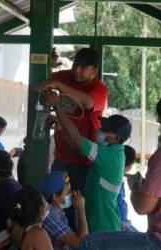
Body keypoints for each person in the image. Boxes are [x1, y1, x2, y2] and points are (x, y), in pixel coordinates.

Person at [78, 97, 161, 250]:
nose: (99, 132)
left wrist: (135, 186)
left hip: (157, 241)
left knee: (88, 243)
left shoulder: (111, 156)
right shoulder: (115, 154)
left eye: (104, 130)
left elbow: (143, 207)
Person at [46, 92, 132, 232]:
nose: (100, 129)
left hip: (102, 227)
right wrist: (62, 129)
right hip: (102, 222)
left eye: (105, 130)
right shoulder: (112, 152)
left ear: (116, 138)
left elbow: (78, 141)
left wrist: (57, 107)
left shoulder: (108, 156)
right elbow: (76, 146)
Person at [35, 48, 108, 192]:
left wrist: (59, 86)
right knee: (54, 203)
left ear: (94, 71)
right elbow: (43, 80)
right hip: (61, 156)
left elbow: (87, 103)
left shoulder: (100, 89)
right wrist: (48, 65)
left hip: (83, 161)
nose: (77, 70)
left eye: (83, 67)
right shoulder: (64, 77)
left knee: (76, 205)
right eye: (75, 65)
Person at [40, 171, 88, 250]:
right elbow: (84, 244)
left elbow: (78, 236)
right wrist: (81, 209)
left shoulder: (59, 210)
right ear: (55, 197)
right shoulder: (49, 216)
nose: (72, 195)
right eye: (68, 192)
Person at [117, 145, 138, 232]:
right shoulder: (117, 181)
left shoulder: (117, 177)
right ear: (130, 165)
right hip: (118, 223)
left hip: (122, 221)